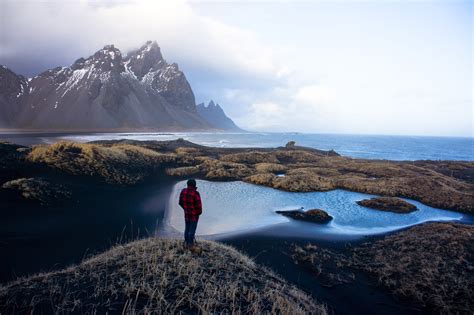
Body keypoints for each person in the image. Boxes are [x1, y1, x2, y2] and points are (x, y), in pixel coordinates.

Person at [178, 179, 202, 250]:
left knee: (187, 229)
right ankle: (190, 245)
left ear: (187, 184)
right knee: (192, 231)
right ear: (194, 185)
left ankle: (186, 242)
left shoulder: (183, 191)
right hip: (194, 216)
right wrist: (197, 213)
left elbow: (180, 202)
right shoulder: (196, 193)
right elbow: (199, 207)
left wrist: (186, 209)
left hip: (186, 214)